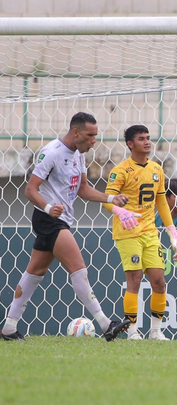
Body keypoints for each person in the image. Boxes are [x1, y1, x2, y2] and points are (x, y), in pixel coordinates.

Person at [0, 112, 131, 342]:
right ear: (76, 132)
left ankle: (9, 327)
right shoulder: (51, 153)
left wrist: (112, 199)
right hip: (48, 219)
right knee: (79, 269)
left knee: (34, 273)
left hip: (59, 219)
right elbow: (30, 190)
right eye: (90, 136)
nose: (94, 141)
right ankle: (106, 324)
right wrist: (49, 207)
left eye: (95, 136)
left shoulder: (79, 155)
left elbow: (83, 190)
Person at [103, 125, 177, 341]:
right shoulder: (120, 171)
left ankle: (156, 331)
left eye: (148, 138)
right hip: (127, 232)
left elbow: (162, 203)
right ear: (130, 144)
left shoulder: (157, 169)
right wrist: (120, 211)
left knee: (159, 281)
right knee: (135, 280)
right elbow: (107, 199)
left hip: (149, 232)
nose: (147, 142)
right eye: (141, 139)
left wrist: (172, 232)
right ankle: (132, 331)